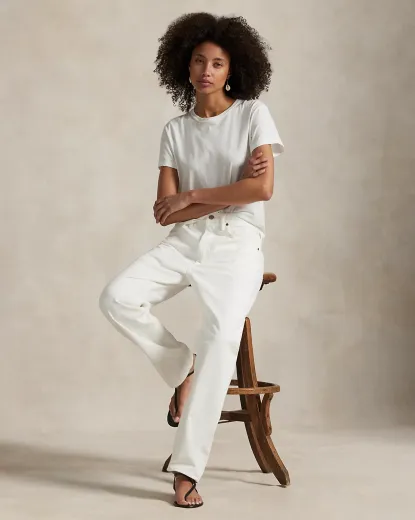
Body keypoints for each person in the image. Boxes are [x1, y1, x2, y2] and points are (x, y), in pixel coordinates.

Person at [99, 12, 284, 509]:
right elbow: (166, 211)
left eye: (218, 63)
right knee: (117, 297)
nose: (207, 70)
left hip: (237, 243)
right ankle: (182, 368)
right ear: (185, 66)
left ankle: (186, 470)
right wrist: (228, 190)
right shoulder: (175, 130)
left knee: (221, 338)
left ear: (232, 69)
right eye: (199, 61)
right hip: (185, 242)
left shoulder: (253, 115)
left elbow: (262, 190)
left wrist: (193, 195)